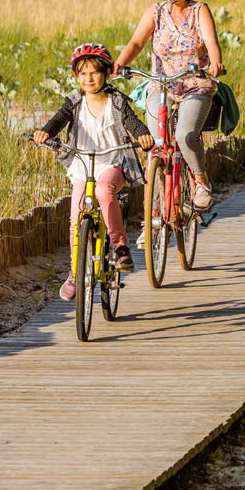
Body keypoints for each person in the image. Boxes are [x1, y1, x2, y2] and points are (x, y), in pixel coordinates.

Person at [35, 42, 153, 300]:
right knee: (75, 217)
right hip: (83, 165)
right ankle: (75, 272)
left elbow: (134, 123)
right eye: (82, 73)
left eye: (95, 73)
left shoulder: (118, 102)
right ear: (76, 76)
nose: (88, 78)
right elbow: (57, 120)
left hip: (112, 164)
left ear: (107, 73)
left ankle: (120, 247)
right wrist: (45, 132)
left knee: (104, 190)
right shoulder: (74, 103)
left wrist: (143, 135)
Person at [113, 0, 226, 212]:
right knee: (155, 146)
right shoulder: (155, 12)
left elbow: (211, 43)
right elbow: (137, 43)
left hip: (195, 85)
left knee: (186, 136)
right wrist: (120, 63)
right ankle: (155, 216)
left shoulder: (200, 10)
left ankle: (200, 181)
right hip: (161, 86)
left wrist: (216, 63)